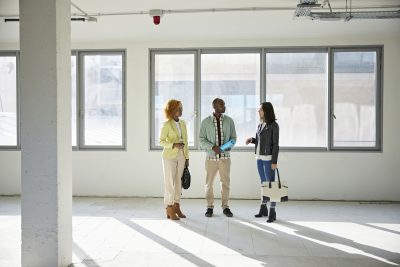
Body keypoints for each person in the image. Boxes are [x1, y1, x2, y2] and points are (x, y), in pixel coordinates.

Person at [199, 98, 237, 217]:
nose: (224, 106)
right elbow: (201, 139)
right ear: (214, 106)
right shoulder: (205, 122)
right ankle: (209, 207)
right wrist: (212, 147)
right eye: (221, 105)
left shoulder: (229, 121)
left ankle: (225, 207)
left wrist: (229, 145)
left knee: (225, 183)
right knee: (209, 184)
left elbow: (234, 138)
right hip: (211, 158)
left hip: (225, 158)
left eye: (224, 104)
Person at [246, 102, 279, 223]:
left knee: (271, 184)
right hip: (259, 158)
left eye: (260, 109)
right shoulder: (260, 125)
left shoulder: (274, 125)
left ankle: (272, 210)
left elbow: (275, 145)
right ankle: (263, 208)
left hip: (269, 158)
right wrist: (252, 140)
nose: (258, 111)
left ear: (266, 111)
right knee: (263, 183)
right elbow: (261, 141)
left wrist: (274, 161)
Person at [159, 99, 189, 220]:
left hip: (181, 155)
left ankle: (176, 205)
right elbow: (161, 141)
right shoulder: (166, 124)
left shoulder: (183, 123)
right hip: (169, 156)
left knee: (179, 182)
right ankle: (169, 207)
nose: (180, 110)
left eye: (181, 108)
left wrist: (187, 157)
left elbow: (186, 142)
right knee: (169, 183)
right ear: (171, 111)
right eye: (178, 108)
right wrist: (173, 145)